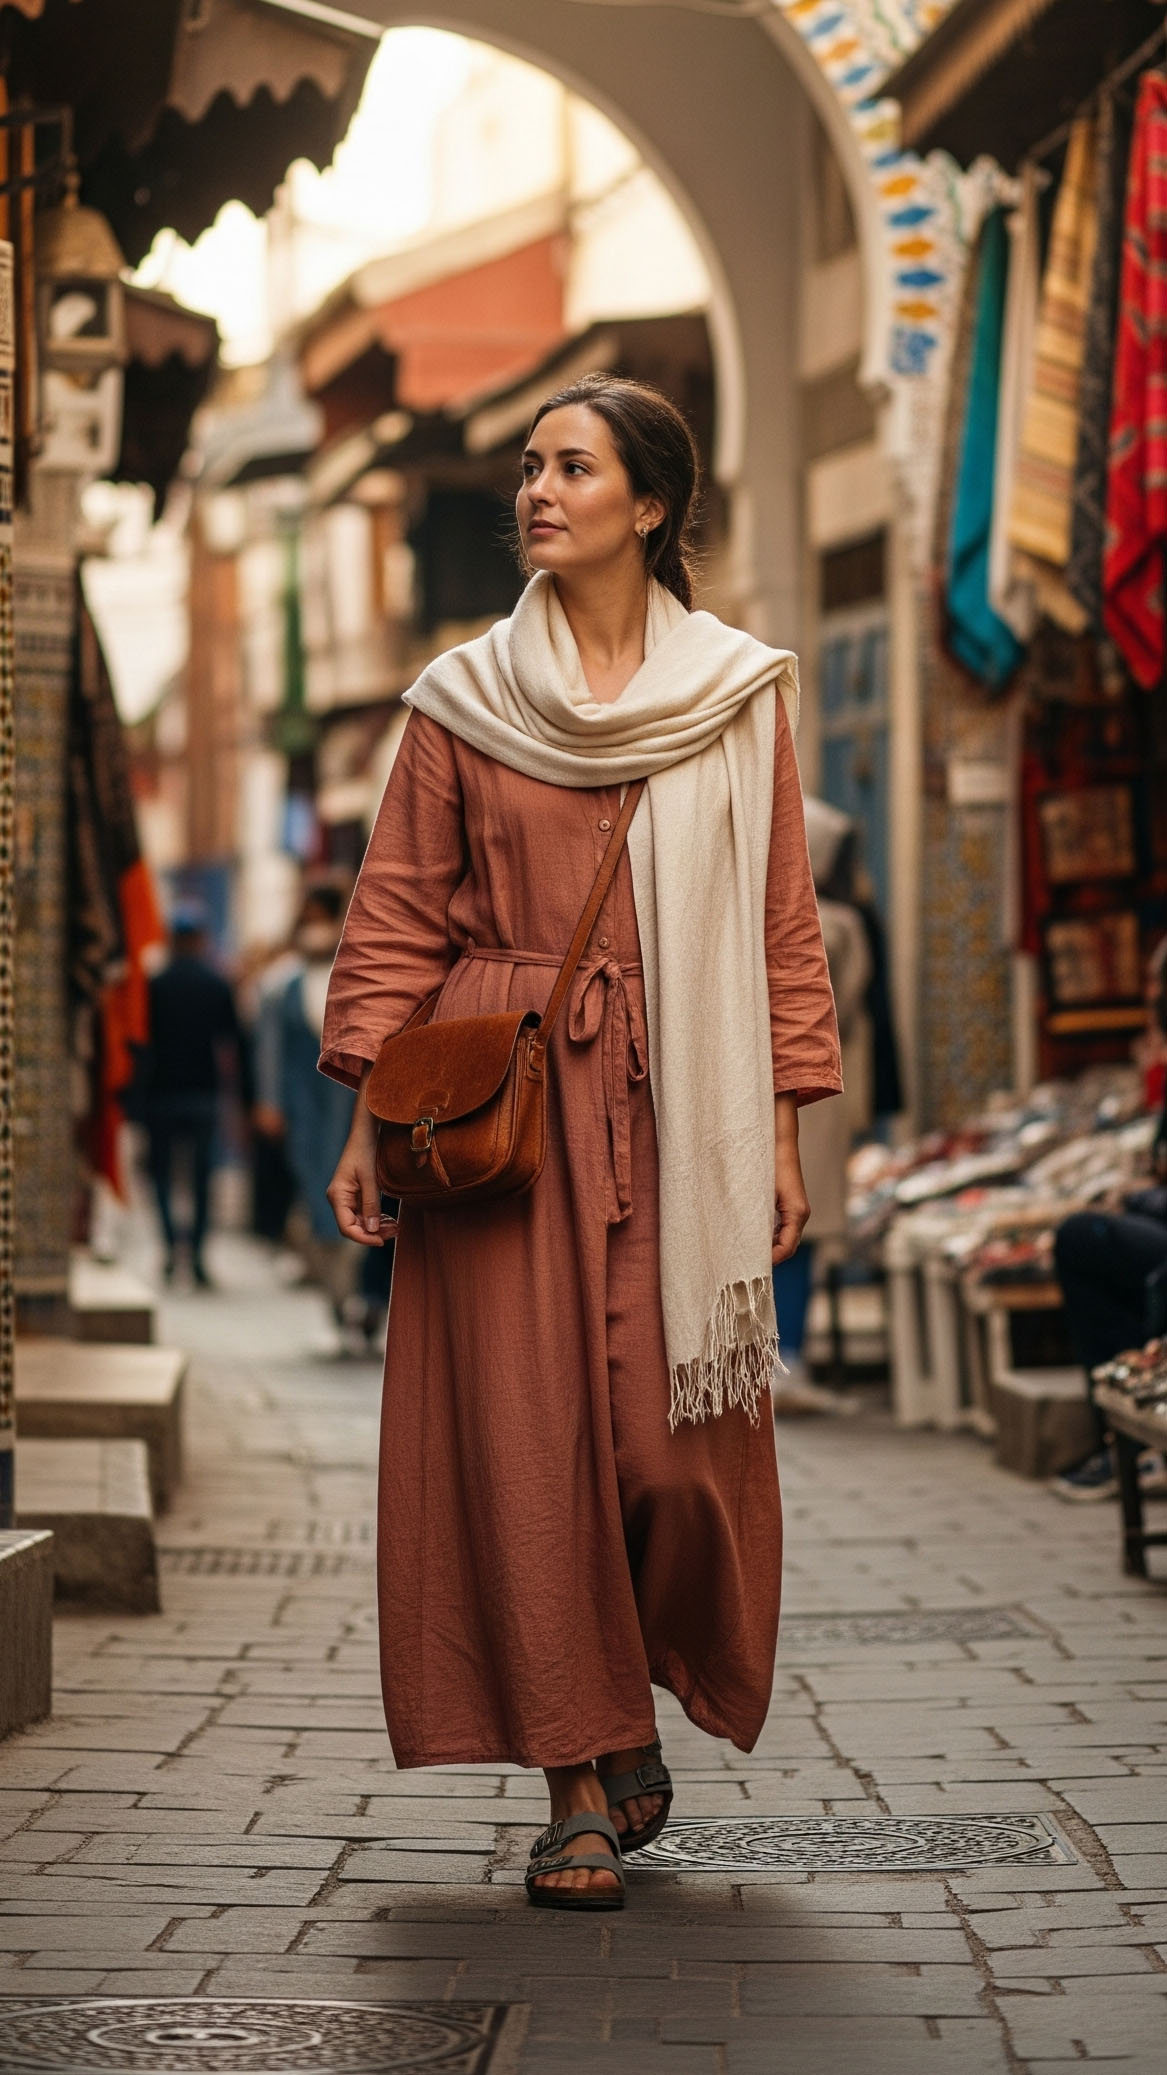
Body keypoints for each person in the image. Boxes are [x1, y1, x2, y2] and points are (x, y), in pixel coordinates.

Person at [320, 374, 841, 1911]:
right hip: (499, 1119)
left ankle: (639, 1686)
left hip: (680, 1106)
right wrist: (364, 1123)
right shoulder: (459, 698)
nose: (537, 491)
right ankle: (578, 1779)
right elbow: (397, 914)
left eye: (572, 466)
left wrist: (785, 1137)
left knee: (663, 1456)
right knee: (523, 1453)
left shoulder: (735, 692)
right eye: (530, 468)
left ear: (651, 501)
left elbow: (776, 927)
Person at [772, 798, 871, 1415]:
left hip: (782, 1097)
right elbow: (850, 1008)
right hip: (813, 1099)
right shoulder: (833, 925)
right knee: (794, 1232)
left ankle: (780, 1358)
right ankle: (789, 1358)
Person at [131, 902, 252, 1285]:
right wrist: (246, 1100)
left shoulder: (155, 986)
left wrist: (133, 1102)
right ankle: (197, 1257)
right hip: (204, 1096)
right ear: (200, 939)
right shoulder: (216, 984)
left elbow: (139, 1047)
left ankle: (171, 1250)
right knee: (201, 1180)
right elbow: (237, 1044)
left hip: (160, 1096)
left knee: (163, 1178)